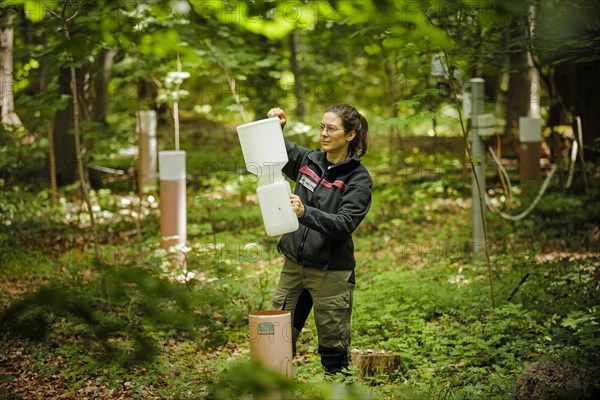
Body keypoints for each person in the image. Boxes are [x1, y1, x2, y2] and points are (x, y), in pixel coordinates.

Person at [266, 104, 372, 375]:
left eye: (331, 128)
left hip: (330, 272)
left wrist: (305, 212)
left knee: (333, 352)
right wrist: (276, 127)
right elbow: (281, 152)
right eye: (322, 127)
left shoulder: (358, 179)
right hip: (294, 266)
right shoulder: (309, 160)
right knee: (274, 339)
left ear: (349, 135)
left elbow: (345, 223)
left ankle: (338, 391)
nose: (324, 133)